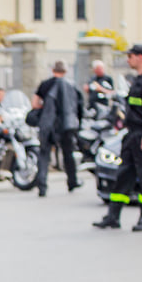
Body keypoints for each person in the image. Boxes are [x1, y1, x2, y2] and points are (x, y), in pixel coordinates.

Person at [93, 44, 142, 232]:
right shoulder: (137, 80)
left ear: (141, 57)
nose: (128, 59)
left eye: (131, 56)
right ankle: (113, 217)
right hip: (131, 135)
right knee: (123, 175)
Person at [33, 60, 83, 196]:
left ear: (53, 70)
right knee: (68, 153)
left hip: (48, 124)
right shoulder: (71, 86)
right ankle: (72, 181)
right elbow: (79, 108)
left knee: (44, 154)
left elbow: (35, 103)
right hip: (66, 124)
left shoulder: (45, 84)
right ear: (65, 71)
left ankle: (42, 186)